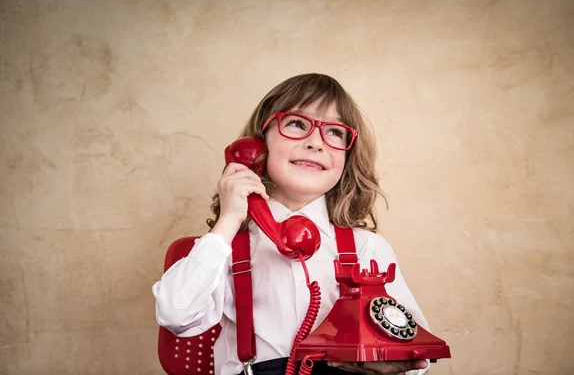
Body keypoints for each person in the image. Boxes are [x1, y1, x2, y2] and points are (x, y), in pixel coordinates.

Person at [153, 74, 431, 375]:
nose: (315, 143)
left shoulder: (368, 248)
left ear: (347, 155)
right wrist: (229, 220)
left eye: (335, 131)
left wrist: (389, 362)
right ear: (257, 145)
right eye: (297, 124)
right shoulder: (227, 248)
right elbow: (175, 314)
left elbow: (417, 356)